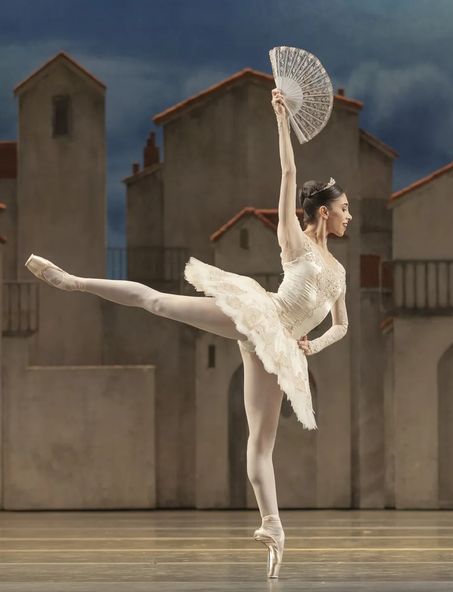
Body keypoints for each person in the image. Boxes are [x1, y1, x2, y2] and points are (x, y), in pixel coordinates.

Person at [24, 87, 352, 579]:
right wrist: (282, 118)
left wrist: (314, 344)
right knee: (159, 302)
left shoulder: (339, 272)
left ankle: (273, 528)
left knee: (260, 445)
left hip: (281, 348)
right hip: (260, 316)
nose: (349, 216)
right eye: (345, 208)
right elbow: (286, 172)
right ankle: (74, 281)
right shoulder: (294, 243)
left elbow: (343, 325)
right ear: (323, 212)